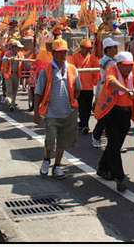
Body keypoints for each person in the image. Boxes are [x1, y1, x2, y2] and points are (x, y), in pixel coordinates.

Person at [34, 38, 81, 179]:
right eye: (59, 52)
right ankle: (47, 159)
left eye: (64, 52)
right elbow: (38, 93)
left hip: (68, 112)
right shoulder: (46, 71)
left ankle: (57, 166)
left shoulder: (72, 69)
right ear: (53, 53)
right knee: (50, 140)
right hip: (51, 113)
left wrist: (72, 101)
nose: (62, 55)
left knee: (63, 141)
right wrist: (36, 112)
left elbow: (78, 88)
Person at [94, 51, 134, 192]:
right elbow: (112, 82)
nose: (128, 68)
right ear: (118, 65)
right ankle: (119, 178)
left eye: (130, 66)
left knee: (116, 144)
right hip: (111, 112)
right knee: (115, 146)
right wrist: (126, 90)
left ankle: (102, 168)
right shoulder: (112, 69)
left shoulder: (133, 74)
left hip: (126, 113)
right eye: (125, 66)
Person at [91, 37, 120, 148]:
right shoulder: (110, 62)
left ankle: (110, 141)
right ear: (108, 49)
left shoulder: (107, 59)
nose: (116, 49)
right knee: (106, 115)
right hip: (108, 90)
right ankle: (96, 136)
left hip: (105, 88)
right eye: (114, 47)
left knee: (109, 116)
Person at [68, 39, 99, 134]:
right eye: (86, 48)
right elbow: (71, 70)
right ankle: (84, 125)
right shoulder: (75, 57)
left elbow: (96, 71)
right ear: (81, 48)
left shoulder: (92, 57)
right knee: (81, 108)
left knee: (88, 108)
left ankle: (84, 124)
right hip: (79, 87)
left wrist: (95, 81)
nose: (87, 50)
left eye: (89, 48)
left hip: (89, 87)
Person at [2, 39, 25, 111]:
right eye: (17, 47)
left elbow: (24, 61)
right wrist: (9, 59)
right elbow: (3, 59)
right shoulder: (7, 53)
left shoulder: (20, 54)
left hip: (17, 74)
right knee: (9, 91)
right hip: (9, 74)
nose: (19, 48)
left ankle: (12, 103)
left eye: (19, 47)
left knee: (15, 90)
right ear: (13, 47)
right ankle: (9, 103)